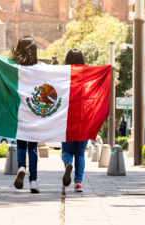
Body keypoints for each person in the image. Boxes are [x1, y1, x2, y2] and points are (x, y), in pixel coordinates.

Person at [12, 36, 40, 193]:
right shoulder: (40, 67)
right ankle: (33, 181)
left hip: (19, 111)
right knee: (33, 147)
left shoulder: (14, 67)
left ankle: (21, 166)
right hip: (34, 111)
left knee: (21, 144)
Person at [61, 49, 88, 192]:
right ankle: (78, 182)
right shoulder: (89, 75)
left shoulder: (62, 74)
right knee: (80, 153)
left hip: (67, 119)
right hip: (84, 119)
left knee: (66, 150)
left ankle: (67, 164)